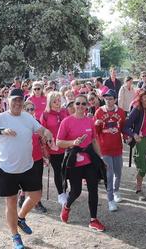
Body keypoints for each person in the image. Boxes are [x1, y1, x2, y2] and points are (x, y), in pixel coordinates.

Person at [0, 88, 53, 249]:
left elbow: (40, 130)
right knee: (11, 202)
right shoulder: (0, 118)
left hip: (27, 166)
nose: (18, 103)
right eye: (15, 100)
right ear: (8, 101)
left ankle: (21, 218)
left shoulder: (28, 118)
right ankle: (15, 236)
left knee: (36, 195)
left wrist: (47, 133)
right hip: (6, 168)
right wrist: (0, 131)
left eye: (20, 100)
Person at [57, 94, 107, 232]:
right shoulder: (66, 122)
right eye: (78, 103)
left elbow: (94, 140)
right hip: (74, 161)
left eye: (83, 104)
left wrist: (101, 158)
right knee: (76, 191)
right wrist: (73, 143)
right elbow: (58, 142)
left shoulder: (90, 120)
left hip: (89, 159)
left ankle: (93, 220)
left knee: (93, 189)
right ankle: (66, 206)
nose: (80, 106)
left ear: (87, 106)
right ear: (73, 105)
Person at [94, 89, 126, 211]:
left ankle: (116, 191)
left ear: (115, 100)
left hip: (117, 147)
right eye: (106, 98)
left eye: (110, 98)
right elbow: (95, 133)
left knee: (118, 172)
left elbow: (123, 128)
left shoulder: (121, 112)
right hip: (104, 148)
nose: (108, 100)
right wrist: (96, 125)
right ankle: (110, 200)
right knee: (109, 174)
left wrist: (128, 137)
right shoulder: (99, 112)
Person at [39, 91, 67, 206]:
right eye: (55, 101)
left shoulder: (64, 112)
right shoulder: (45, 114)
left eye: (59, 101)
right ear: (50, 102)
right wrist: (45, 149)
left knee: (66, 170)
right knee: (58, 170)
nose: (57, 103)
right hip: (53, 148)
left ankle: (65, 190)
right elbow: (42, 133)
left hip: (65, 145)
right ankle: (61, 194)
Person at [19, 100, 47, 213]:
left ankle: (37, 202)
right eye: (28, 109)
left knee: (38, 182)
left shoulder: (37, 123)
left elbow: (42, 140)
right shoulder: (19, 123)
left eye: (32, 109)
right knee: (26, 180)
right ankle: (23, 194)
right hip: (24, 157)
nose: (30, 111)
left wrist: (45, 154)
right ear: (23, 110)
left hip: (37, 157)